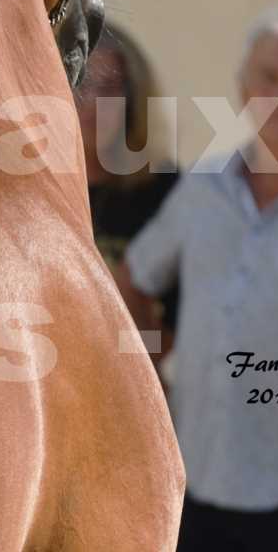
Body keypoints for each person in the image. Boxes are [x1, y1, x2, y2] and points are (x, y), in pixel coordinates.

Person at [117, 5, 278, 550]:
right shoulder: (204, 187)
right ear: (244, 89)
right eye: (270, 78)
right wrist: (147, 375)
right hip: (197, 485)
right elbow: (131, 279)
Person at [75, 25, 180, 344]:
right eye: (81, 83)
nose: (93, 103)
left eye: (108, 87)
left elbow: (185, 315)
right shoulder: (26, 189)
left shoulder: (166, 192)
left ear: (133, 97)